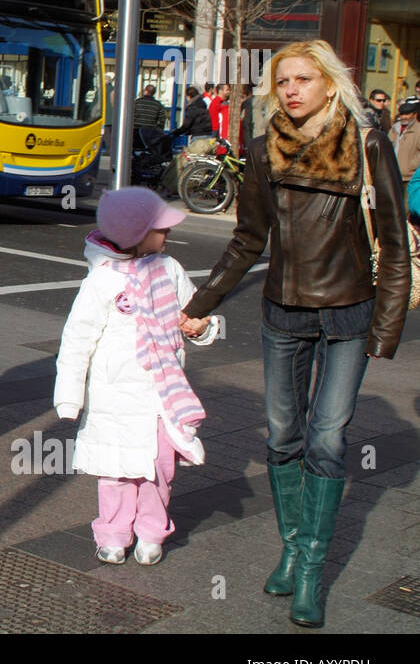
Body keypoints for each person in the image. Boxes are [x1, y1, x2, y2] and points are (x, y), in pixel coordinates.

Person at [180, 39, 409, 629]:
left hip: (348, 315)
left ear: (331, 85)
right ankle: (291, 548)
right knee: (283, 438)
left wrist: (386, 329)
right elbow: (248, 238)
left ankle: (309, 569)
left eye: (304, 79)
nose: (292, 90)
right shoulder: (261, 152)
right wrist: (203, 302)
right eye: (283, 81)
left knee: (327, 442)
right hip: (283, 313)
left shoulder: (367, 143)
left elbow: (393, 242)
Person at [55, 187, 216, 566]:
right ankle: (112, 533)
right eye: (161, 228)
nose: (168, 234)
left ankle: (151, 532)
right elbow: (78, 337)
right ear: (137, 233)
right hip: (113, 398)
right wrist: (69, 396)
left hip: (162, 395)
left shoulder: (170, 269)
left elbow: (195, 312)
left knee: (159, 470)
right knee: (115, 472)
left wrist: (201, 327)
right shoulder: (103, 280)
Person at [392, 96, 419, 183]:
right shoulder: (394, 128)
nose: (404, 117)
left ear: (414, 114)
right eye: (402, 114)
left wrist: (412, 166)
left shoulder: (418, 130)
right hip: (393, 174)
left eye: (407, 114)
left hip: (411, 177)